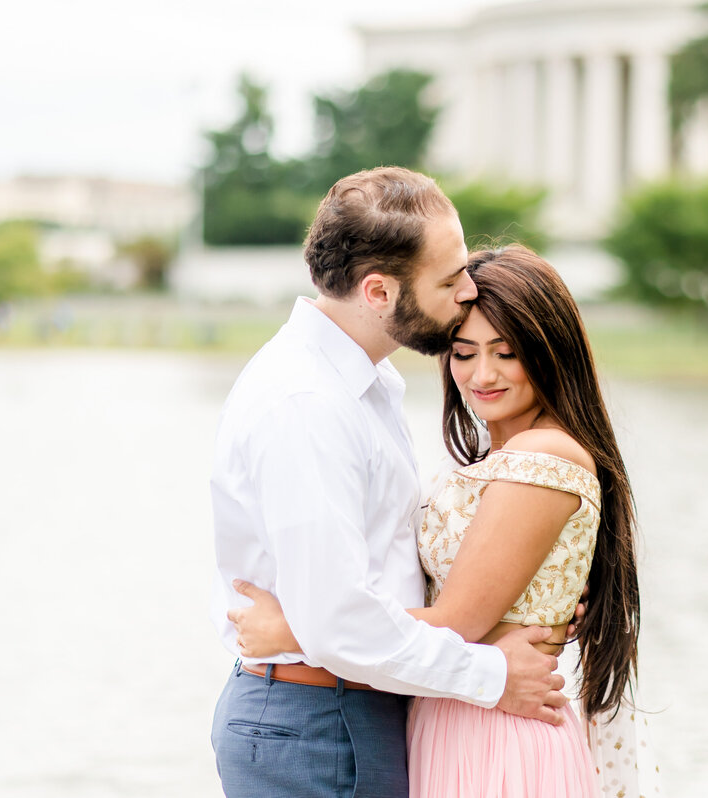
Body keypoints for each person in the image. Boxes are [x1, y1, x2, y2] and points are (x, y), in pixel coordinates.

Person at [209, 168, 568, 798]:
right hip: (319, 723)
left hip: (351, 711)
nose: (467, 292)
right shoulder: (308, 404)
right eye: (450, 278)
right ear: (379, 291)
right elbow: (338, 623)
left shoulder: (366, 387)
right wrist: (492, 672)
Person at [231, 246, 642, 797]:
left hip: (497, 734)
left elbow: (457, 622)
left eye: (507, 352)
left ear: (550, 352)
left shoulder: (543, 457)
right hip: (456, 709)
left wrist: (297, 629)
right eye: (464, 352)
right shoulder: (501, 459)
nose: (483, 375)